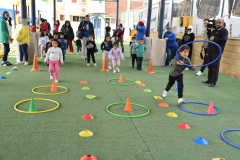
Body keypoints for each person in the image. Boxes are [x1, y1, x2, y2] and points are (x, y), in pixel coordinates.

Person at [202, 18, 228, 87]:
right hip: (210, 50)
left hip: (217, 52)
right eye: (217, 22)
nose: (218, 24)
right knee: (210, 66)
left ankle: (213, 82)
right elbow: (209, 37)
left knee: (215, 67)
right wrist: (209, 30)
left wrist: (215, 39)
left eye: (220, 22)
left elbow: (224, 40)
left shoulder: (224, 31)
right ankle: (209, 79)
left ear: (223, 23)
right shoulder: (214, 30)